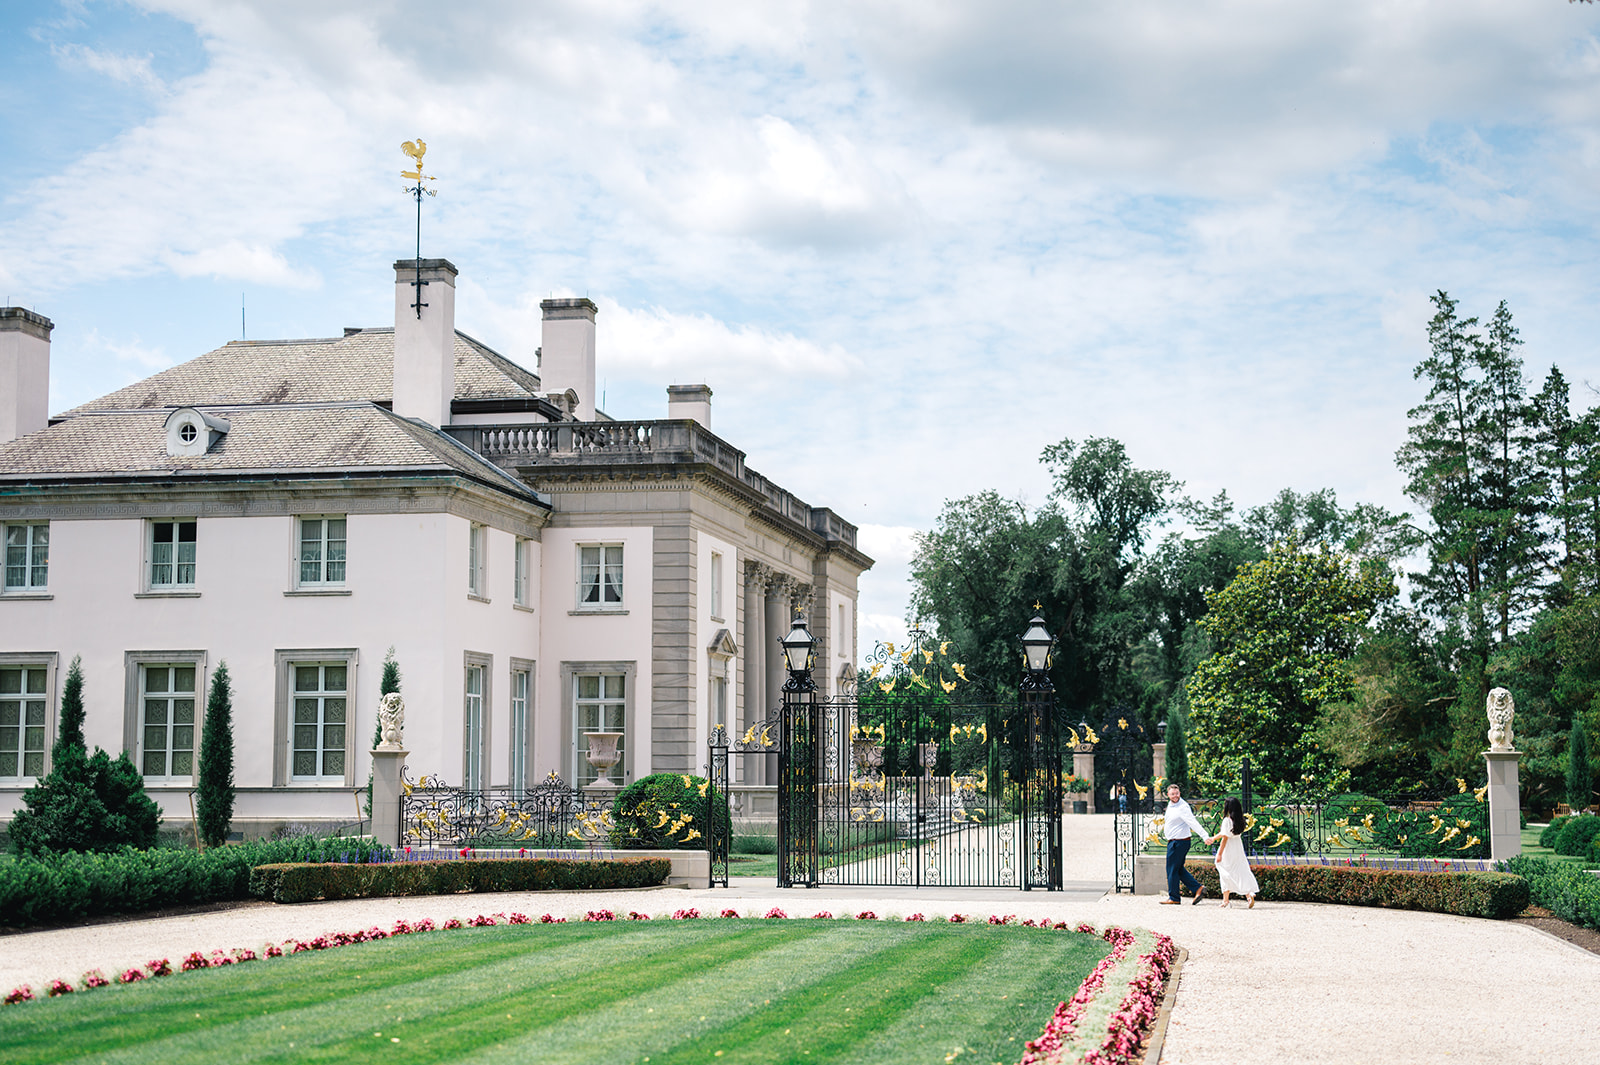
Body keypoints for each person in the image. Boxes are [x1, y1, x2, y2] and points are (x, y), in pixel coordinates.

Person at [1205, 796, 1259, 908]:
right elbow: (1225, 833)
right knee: (1241, 871)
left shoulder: (1226, 820)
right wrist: (1213, 838)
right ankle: (1249, 895)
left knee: (1224, 871)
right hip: (1238, 848)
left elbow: (1225, 838)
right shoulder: (1239, 820)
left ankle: (1226, 900)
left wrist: (1219, 854)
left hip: (1228, 849)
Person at [1161, 783, 1207, 905]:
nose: (1175, 796)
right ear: (1168, 795)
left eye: (1177, 793)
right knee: (1178, 869)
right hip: (1175, 841)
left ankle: (1174, 897)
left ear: (1179, 793)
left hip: (1179, 842)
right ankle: (1197, 888)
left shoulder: (1183, 807)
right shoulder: (1171, 805)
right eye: (1172, 794)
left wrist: (1204, 836)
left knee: (1171, 869)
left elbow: (1193, 822)